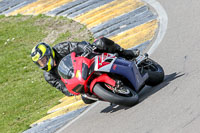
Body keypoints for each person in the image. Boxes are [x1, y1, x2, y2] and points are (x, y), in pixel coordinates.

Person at [30, 37, 140, 102]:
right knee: (86, 99)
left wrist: (84, 47)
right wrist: (71, 92)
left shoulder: (60, 48)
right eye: (40, 62)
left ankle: (125, 53)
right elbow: (62, 87)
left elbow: (75, 46)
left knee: (100, 42)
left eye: (43, 60)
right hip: (79, 80)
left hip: (86, 62)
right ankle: (111, 93)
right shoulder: (48, 75)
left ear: (49, 53)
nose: (43, 64)